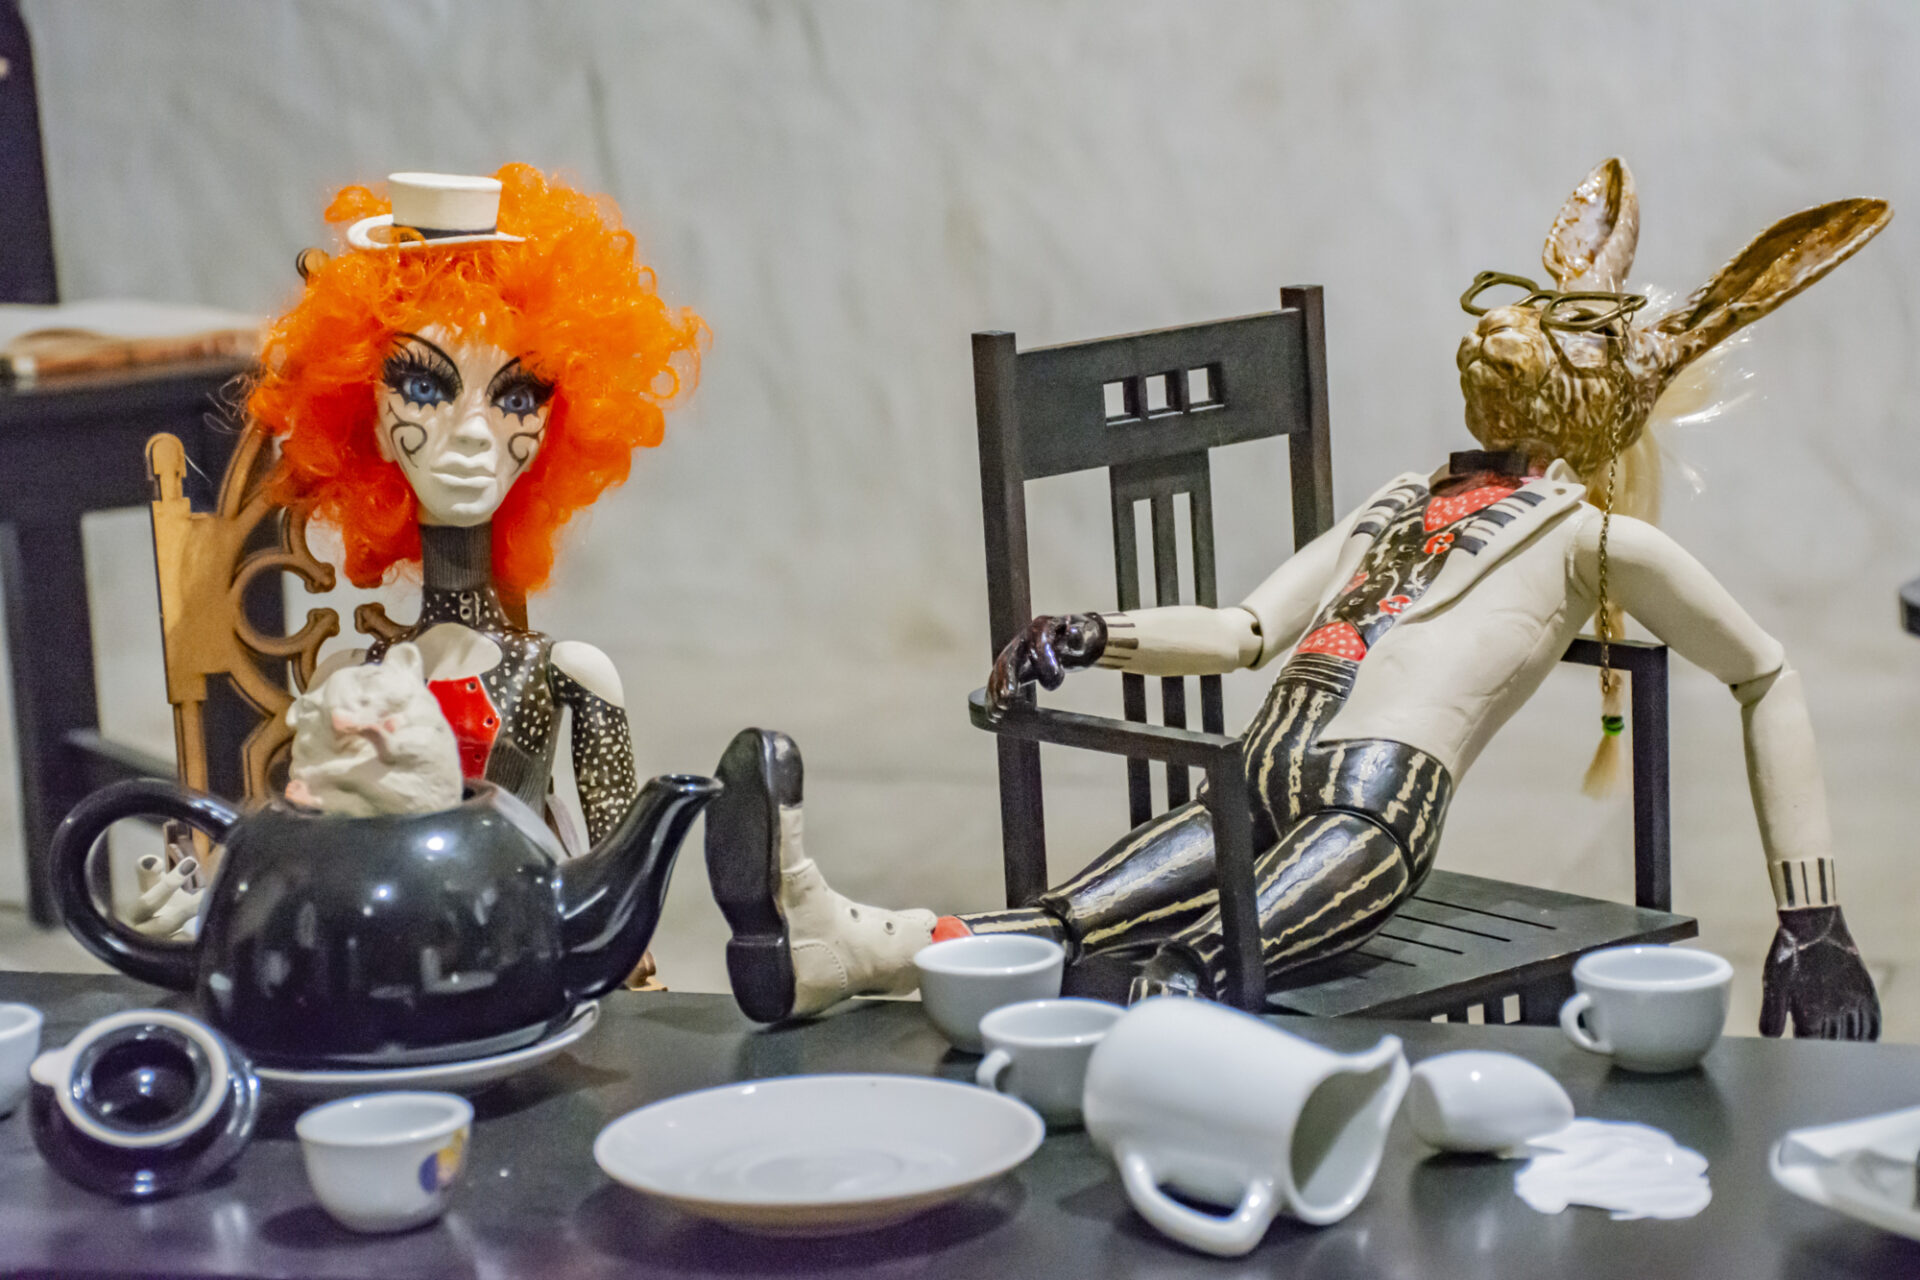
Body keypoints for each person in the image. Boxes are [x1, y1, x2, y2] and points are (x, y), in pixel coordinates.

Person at [703, 159, 1886, 1040]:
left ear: (1612, 386)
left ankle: (1134, 1124)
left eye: (1564, 325)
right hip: (1254, 772)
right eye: (1522, 306)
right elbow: (1245, 630)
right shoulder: (1401, 496)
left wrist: (1813, 917)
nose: (1511, 328)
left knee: (1195, 960)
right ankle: (847, 948)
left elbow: (1763, 670)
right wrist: (1095, 632)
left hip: (1373, 804)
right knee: (1073, 914)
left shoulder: (1595, 541)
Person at [249, 167, 703, 849]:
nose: (471, 433)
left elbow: (621, 880)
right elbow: (321, 865)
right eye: (424, 389)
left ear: (555, 428)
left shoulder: (569, 675)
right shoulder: (349, 680)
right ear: (367, 420)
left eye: (516, 398)